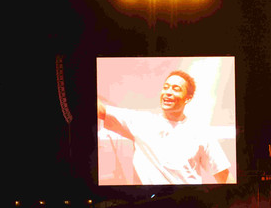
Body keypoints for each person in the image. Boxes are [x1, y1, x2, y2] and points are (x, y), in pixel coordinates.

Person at [98, 70, 231, 184]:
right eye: (166, 87)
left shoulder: (200, 133)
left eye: (176, 89)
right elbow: (102, 111)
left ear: (188, 98)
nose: (168, 92)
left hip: (189, 203)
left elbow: (223, 175)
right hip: (149, 203)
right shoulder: (143, 122)